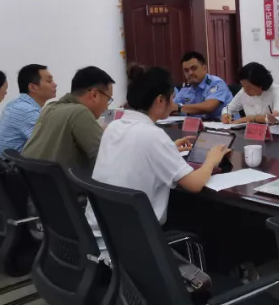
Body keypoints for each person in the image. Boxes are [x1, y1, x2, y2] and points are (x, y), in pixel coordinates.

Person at [89, 66, 230, 243]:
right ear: (160, 100)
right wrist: (211, 160)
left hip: (99, 233)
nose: (174, 104)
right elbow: (194, 184)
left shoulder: (114, 126)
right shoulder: (153, 135)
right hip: (133, 242)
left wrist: (169, 149)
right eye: (171, 98)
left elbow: (133, 154)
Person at [0, 64, 57, 156]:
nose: (55, 84)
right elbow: (50, 145)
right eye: (49, 81)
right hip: (8, 164)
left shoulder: (15, 103)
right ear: (33, 87)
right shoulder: (27, 111)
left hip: (0, 162)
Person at [173, 51, 233, 120]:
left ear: (205, 68)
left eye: (194, 68)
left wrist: (179, 108)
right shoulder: (186, 88)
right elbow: (172, 106)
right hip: (200, 125)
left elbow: (208, 107)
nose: (190, 73)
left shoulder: (216, 83)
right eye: (186, 70)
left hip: (226, 124)